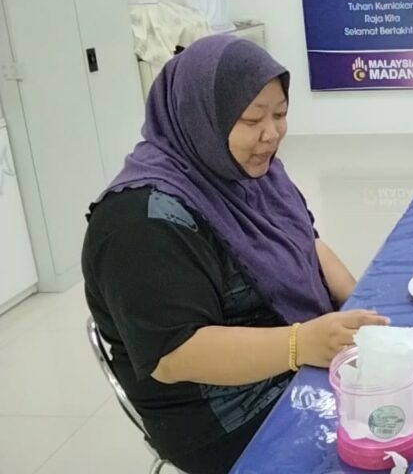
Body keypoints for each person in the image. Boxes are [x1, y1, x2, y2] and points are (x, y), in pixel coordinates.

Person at [82, 35, 388, 474]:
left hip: (298, 355)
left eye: (280, 114)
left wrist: (359, 304)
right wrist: (300, 344)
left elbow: (308, 242)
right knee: (383, 442)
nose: (271, 134)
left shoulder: (252, 171)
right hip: (222, 416)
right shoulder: (141, 222)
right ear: (199, 116)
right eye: (251, 119)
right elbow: (174, 354)